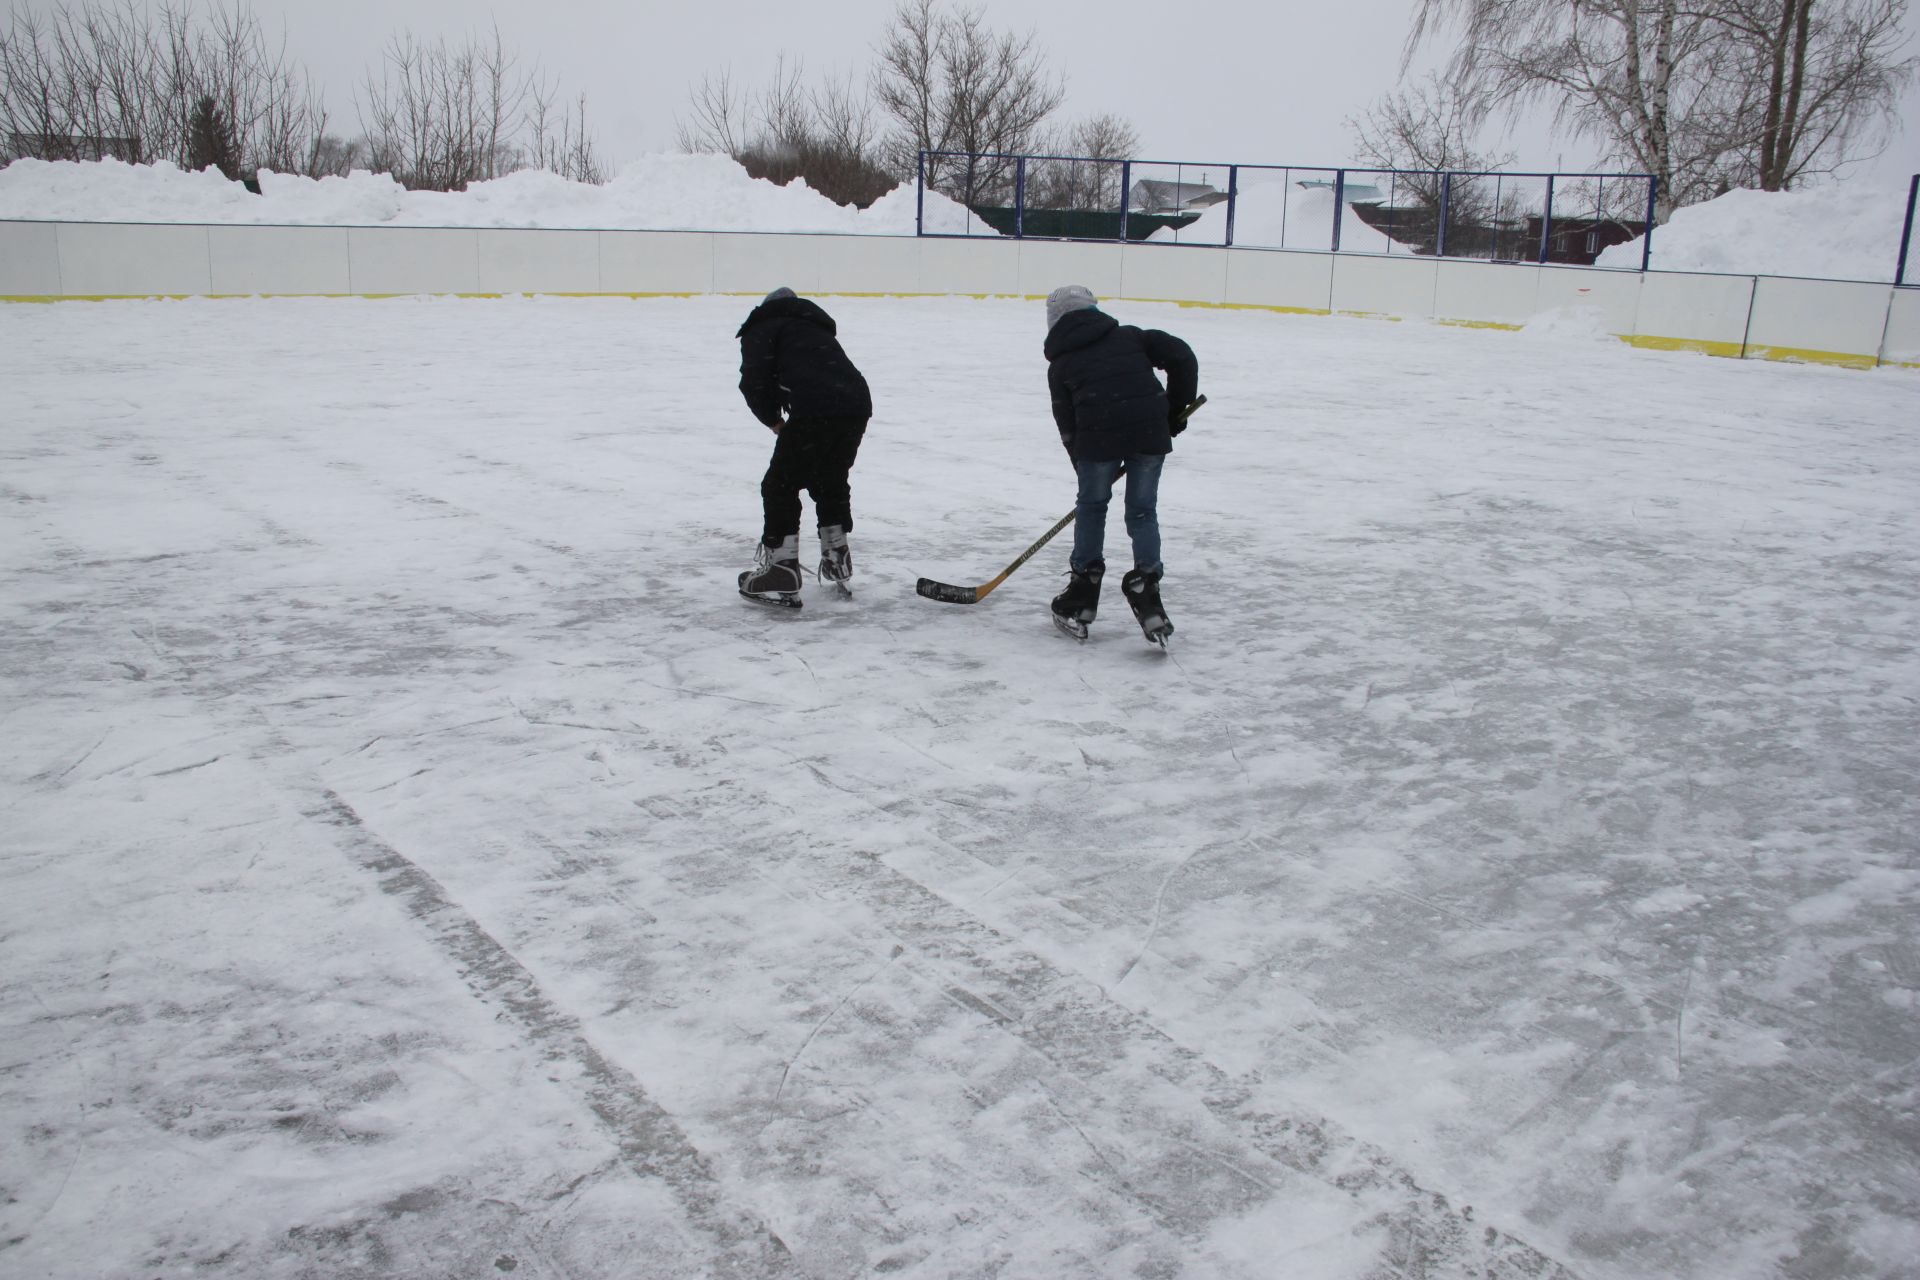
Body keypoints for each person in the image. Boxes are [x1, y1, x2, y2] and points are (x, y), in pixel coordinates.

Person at [1042, 284, 1199, 643]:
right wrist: (1175, 410)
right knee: (1143, 511)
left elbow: (1066, 423)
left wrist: (1083, 464)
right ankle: (1146, 587)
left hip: (1097, 438)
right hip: (1149, 432)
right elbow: (1182, 356)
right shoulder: (1131, 337)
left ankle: (1083, 590)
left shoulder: (1061, 364)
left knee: (1092, 506)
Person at [734, 287, 873, 606]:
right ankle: (837, 555)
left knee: (779, 486)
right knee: (830, 480)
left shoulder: (763, 326)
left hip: (815, 408)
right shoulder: (812, 325)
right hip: (855, 404)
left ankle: (782, 569)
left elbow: (753, 381)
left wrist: (774, 421)